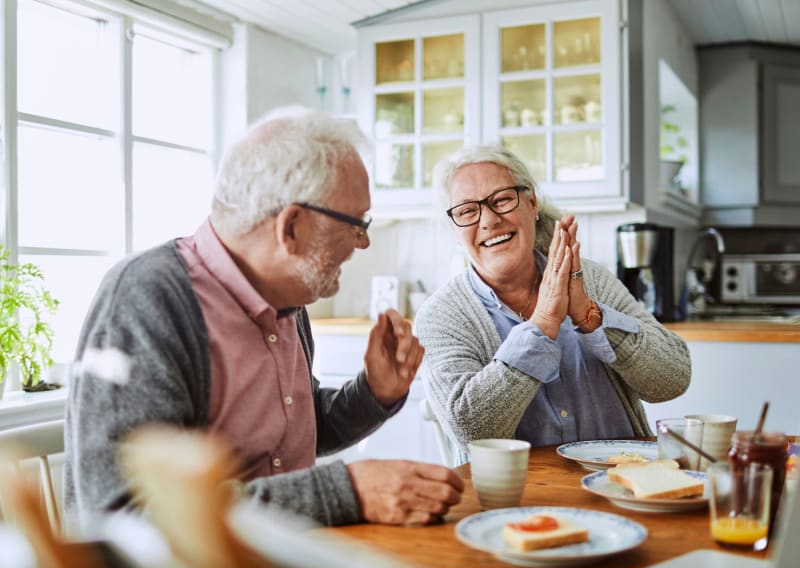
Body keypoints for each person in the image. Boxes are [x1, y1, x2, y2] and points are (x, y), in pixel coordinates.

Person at [64, 107, 464, 532]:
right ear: (290, 228)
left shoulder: (287, 299)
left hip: (284, 567)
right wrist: (347, 492)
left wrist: (373, 394)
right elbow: (122, 516)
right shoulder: (147, 300)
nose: (362, 243)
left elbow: (295, 434)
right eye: (356, 224)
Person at [414, 145, 691, 463]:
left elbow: (672, 380)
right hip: (519, 504)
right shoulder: (441, 316)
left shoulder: (589, 278)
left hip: (625, 483)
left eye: (502, 199)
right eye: (466, 211)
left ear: (531, 201)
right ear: (454, 228)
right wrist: (542, 324)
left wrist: (591, 317)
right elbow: (472, 430)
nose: (489, 220)